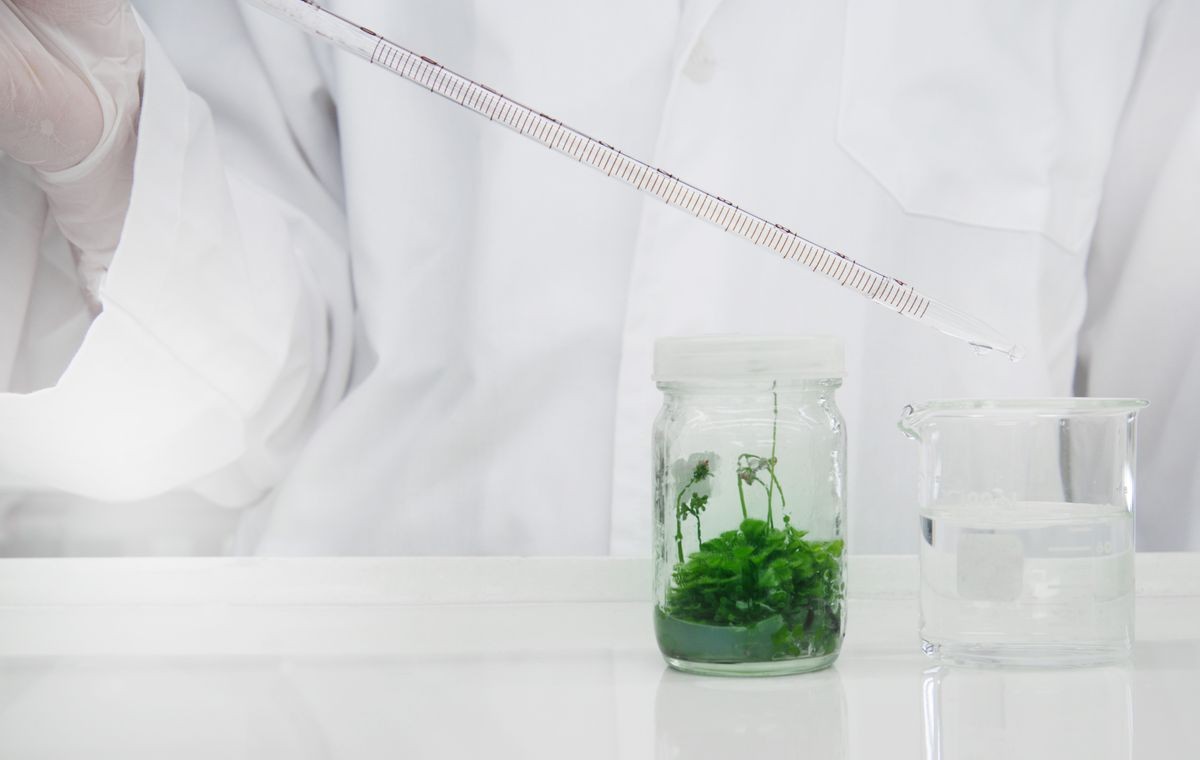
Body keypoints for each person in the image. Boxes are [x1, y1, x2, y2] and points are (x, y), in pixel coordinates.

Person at [1, 0, 1198, 556]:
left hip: (924, 717)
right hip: (374, 695)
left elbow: (1172, 464)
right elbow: (260, 398)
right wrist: (127, 172)